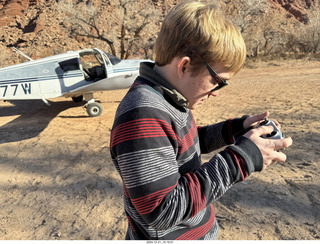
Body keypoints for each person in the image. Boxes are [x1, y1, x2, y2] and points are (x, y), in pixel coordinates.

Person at [109, 1, 292, 240]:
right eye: (218, 80)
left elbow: (186, 143)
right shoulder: (142, 114)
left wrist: (236, 130)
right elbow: (163, 210)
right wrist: (242, 159)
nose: (217, 91)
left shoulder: (166, 98)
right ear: (184, 65)